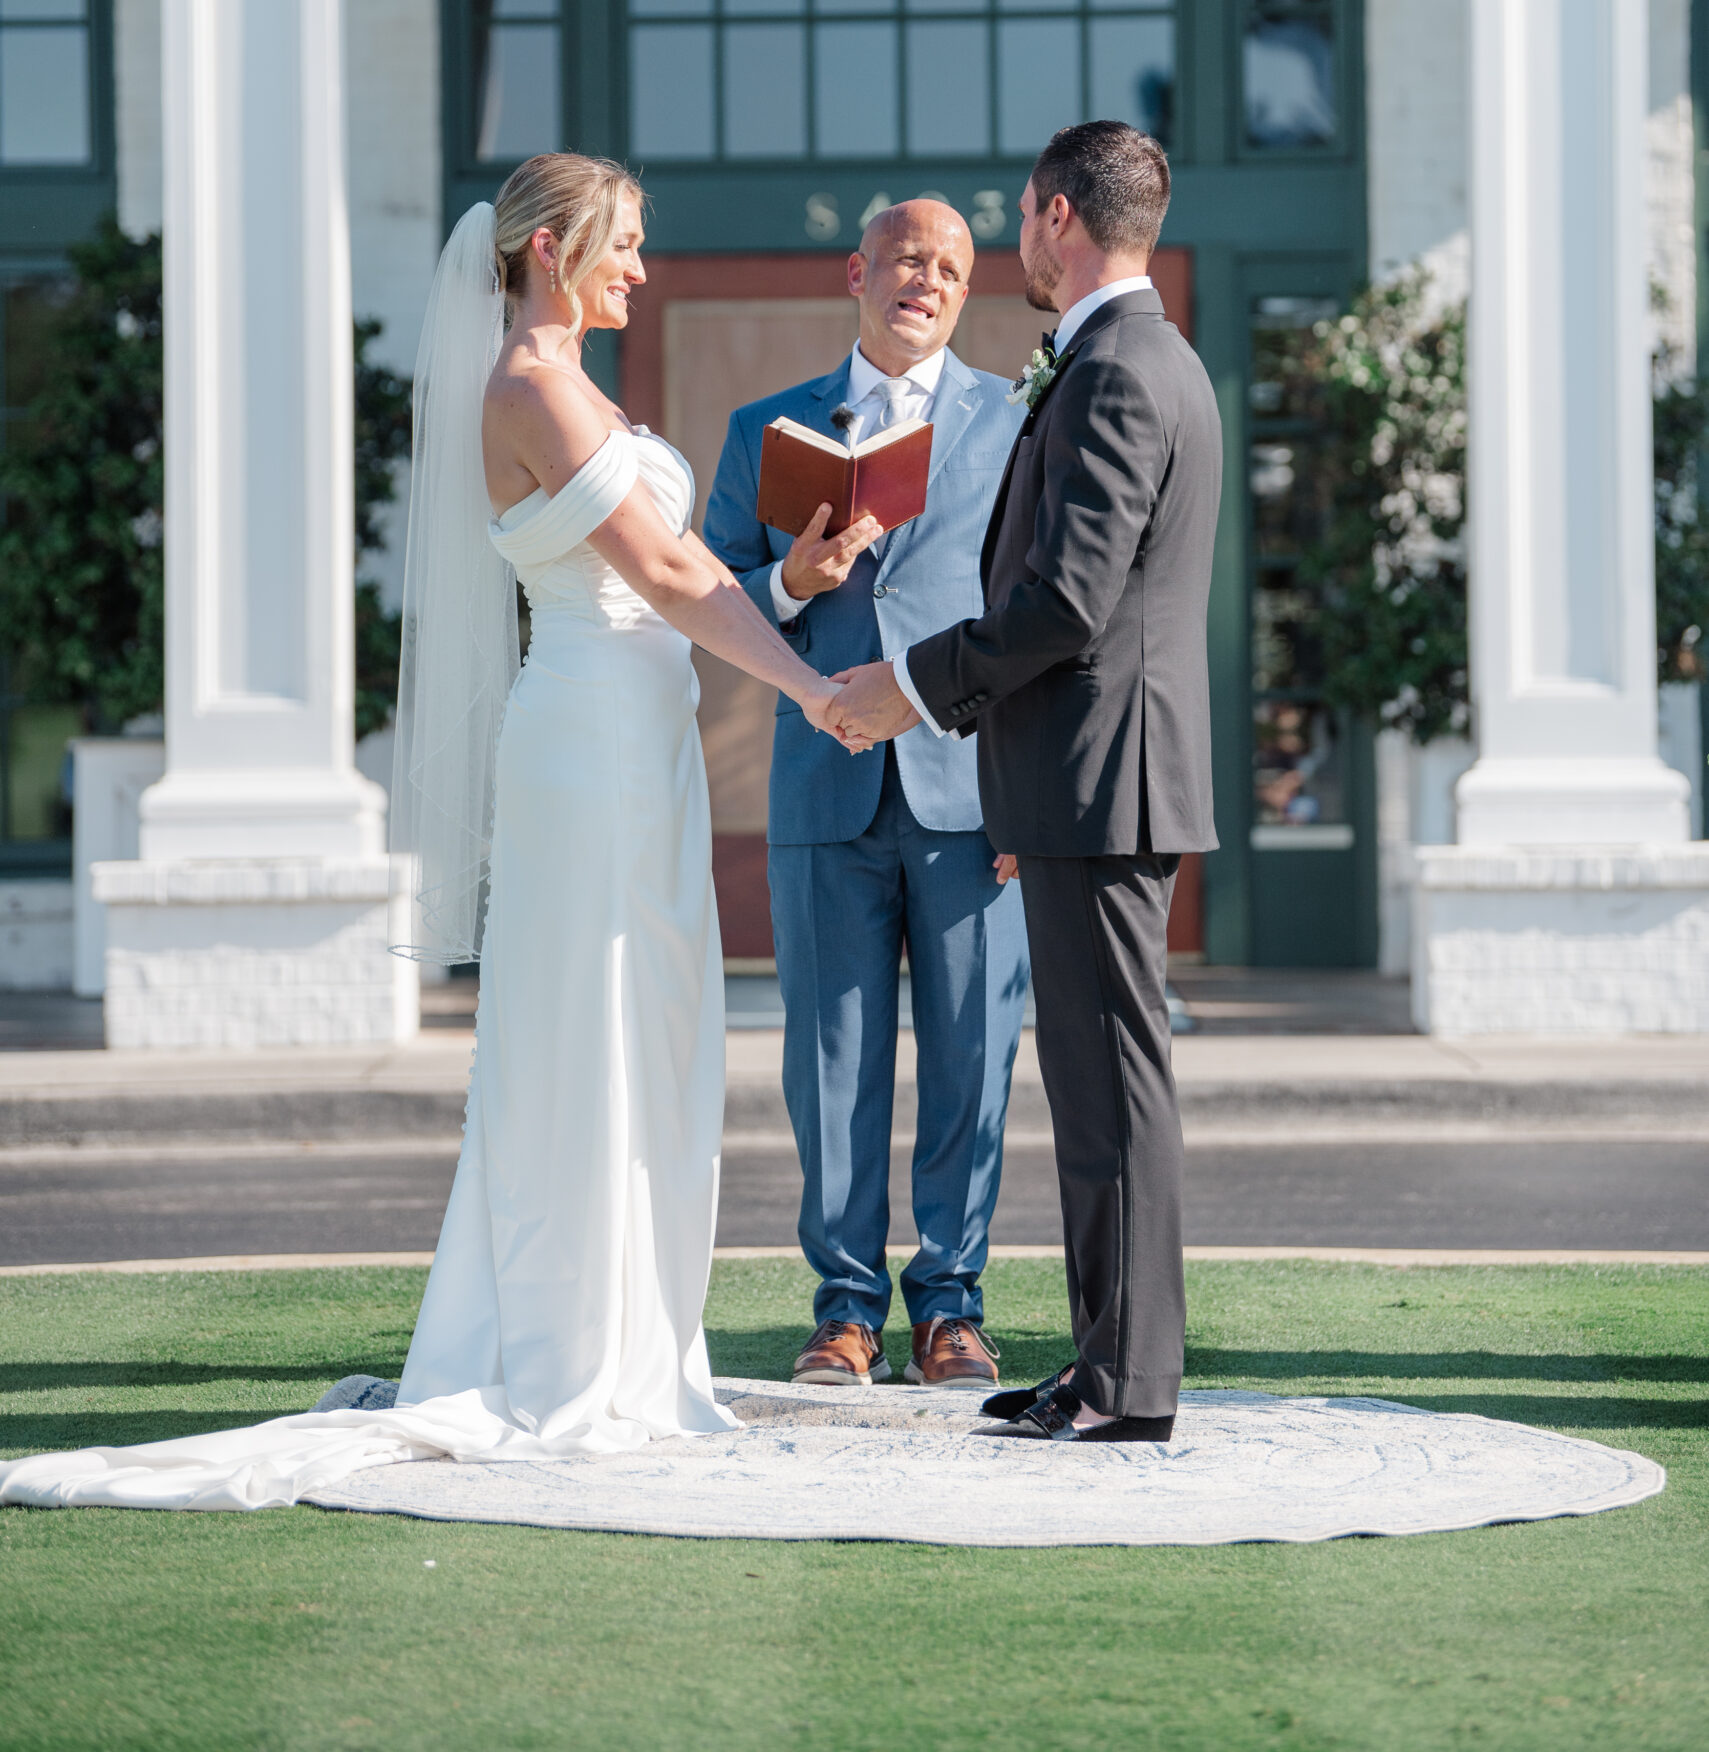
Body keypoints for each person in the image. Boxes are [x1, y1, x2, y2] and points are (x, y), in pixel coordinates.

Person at [1, 153, 859, 1511]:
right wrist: (812, 685)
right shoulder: (526, 383)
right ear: (548, 253)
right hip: (586, 748)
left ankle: (635, 1343)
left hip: (642, 738)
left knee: (654, 1028)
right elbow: (665, 571)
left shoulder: (577, 386)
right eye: (623, 243)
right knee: (587, 1032)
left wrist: (790, 583)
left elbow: (680, 580)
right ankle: (567, 1354)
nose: (642, 265)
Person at [828, 122, 1222, 1447]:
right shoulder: (1132, 357)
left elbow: (1061, 603)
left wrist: (909, 689)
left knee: (1115, 1086)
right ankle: (1106, 1362)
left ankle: (1128, 1383)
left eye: (1020, 223)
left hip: (1102, 784)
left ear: (1057, 215)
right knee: (1100, 1089)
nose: (1015, 249)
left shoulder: (1116, 369)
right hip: (1078, 785)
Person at [703, 201, 1026, 1393]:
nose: (925, 280)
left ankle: (951, 1306)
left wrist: (1026, 799)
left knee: (972, 1057)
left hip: (970, 792)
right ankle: (843, 1308)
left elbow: (1038, 609)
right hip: (822, 791)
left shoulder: (1016, 420)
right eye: (905, 259)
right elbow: (713, 597)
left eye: (947, 267)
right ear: (857, 271)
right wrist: (792, 576)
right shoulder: (763, 428)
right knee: (830, 1060)